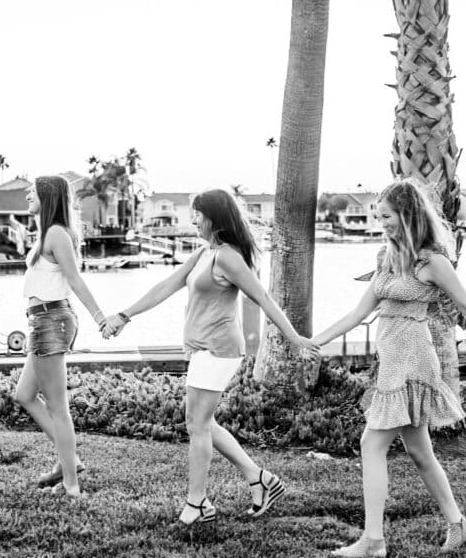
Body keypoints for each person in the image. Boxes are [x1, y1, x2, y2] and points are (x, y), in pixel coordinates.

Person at [309, 180, 466, 558]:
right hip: (391, 357)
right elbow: (357, 314)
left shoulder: (433, 262)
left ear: (408, 215)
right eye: (377, 216)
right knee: (419, 451)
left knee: (371, 443)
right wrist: (314, 341)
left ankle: (373, 540)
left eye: (387, 216)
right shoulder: (386, 256)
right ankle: (458, 525)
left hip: (413, 358)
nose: (381, 223)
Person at [101, 189, 318, 525]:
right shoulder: (205, 253)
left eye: (198, 214)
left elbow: (262, 297)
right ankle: (259, 479)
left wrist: (294, 338)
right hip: (202, 350)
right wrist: (124, 315)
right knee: (203, 423)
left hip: (219, 350)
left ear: (214, 216)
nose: (193, 220)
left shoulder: (228, 256)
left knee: (196, 424)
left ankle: (197, 504)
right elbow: (164, 286)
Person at [13, 176, 109, 497]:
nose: (28, 194)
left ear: (47, 197)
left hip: (51, 321)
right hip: (43, 321)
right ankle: (69, 461)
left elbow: (76, 280)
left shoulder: (56, 233)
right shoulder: (47, 233)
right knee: (25, 394)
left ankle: (71, 484)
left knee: (58, 408)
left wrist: (99, 317)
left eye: (33, 191)